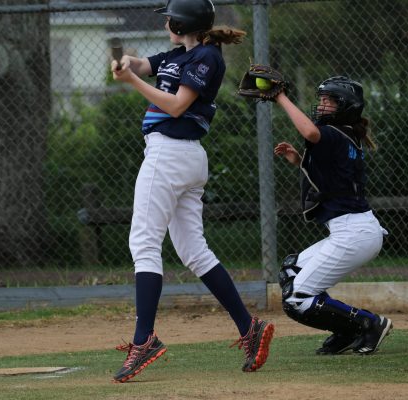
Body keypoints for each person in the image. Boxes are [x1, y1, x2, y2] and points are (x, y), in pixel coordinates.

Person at [110, 0, 274, 383]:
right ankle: (249, 328)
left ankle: (144, 339)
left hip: (170, 153)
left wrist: (132, 83)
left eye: (169, 17)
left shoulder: (205, 57)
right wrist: (127, 64)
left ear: (182, 22)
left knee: (144, 244)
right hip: (179, 157)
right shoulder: (178, 53)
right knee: (193, 250)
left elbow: (178, 106)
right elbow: (142, 63)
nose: (165, 22)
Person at [272, 76, 392, 355]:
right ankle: (348, 331)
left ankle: (368, 324)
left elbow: (311, 134)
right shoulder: (344, 134)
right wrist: (299, 161)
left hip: (354, 233)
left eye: (330, 101)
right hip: (353, 230)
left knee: (297, 299)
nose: (322, 105)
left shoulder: (336, 133)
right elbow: (333, 178)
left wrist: (281, 97)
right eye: (322, 99)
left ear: (346, 106)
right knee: (292, 271)